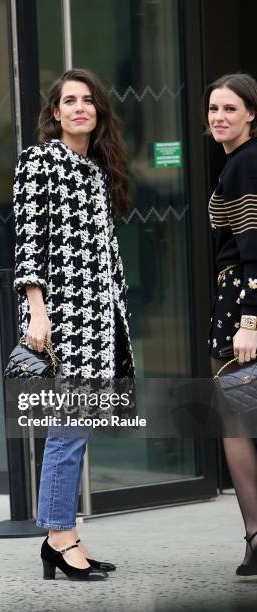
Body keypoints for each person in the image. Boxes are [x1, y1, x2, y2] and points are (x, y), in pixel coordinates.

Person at [12, 68, 134, 581]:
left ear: (98, 112)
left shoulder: (97, 169)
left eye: (88, 101)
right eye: (69, 100)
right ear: (55, 112)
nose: (80, 107)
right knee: (67, 431)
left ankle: (63, 535)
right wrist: (37, 311)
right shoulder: (39, 160)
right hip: (59, 320)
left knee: (76, 430)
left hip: (97, 320)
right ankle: (60, 538)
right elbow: (28, 241)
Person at [204, 73, 257, 575]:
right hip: (237, 303)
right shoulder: (236, 163)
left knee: (237, 424)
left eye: (230, 108)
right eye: (214, 109)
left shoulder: (246, 163)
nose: (219, 117)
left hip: (243, 306)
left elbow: (254, 248)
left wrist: (249, 321)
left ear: (251, 115)